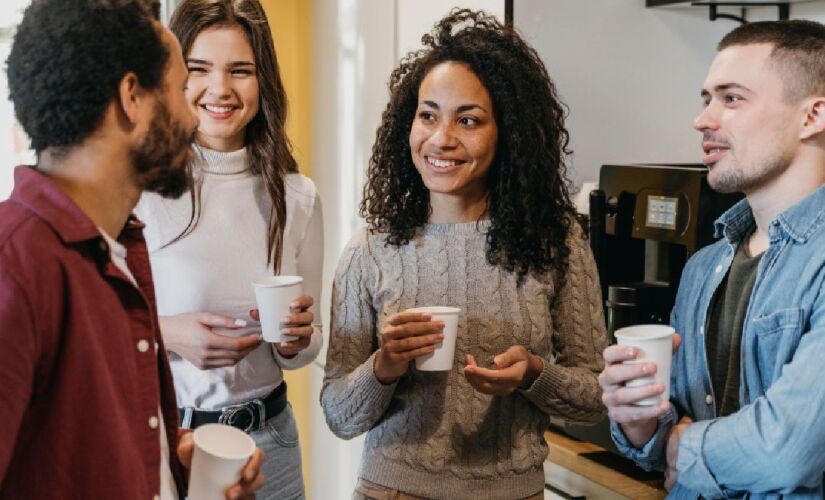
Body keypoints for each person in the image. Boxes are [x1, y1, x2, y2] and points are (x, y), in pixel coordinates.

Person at [321, 9, 607, 500]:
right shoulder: (370, 251)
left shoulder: (555, 241)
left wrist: (535, 375)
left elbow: (595, 399)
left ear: (508, 132)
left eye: (468, 120)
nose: (441, 139)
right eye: (427, 115)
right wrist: (385, 365)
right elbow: (339, 417)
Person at [0, 0, 264, 499]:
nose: (192, 118)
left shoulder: (119, 248)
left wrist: (168, 466)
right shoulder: (15, 266)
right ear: (132, 98)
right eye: (181, 88)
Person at [600, 20, 825, 498]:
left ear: (813, 116)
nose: (703, 120)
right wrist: (638, 417)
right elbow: (664, 436)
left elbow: (786, 452)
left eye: (732, 98)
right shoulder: (704, 266)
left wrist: (684, 446)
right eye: (707, 99)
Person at [134, 1, 323, 498]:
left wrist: (296, 342)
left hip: (273, 441)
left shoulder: (297, 195)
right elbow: (99, 327)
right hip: (176, 444)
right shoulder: (139, 189)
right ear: (172, 78)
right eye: (199, 70)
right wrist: (170, 335)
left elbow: (307, 347)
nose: (220, 89)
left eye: (240, 70)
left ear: (264, 83)